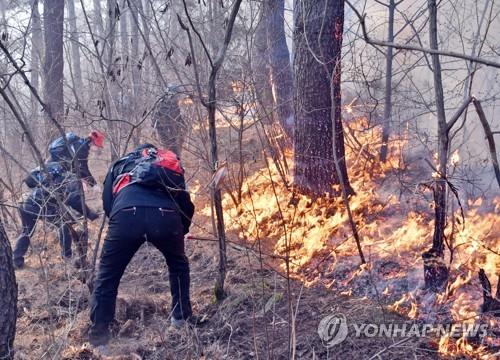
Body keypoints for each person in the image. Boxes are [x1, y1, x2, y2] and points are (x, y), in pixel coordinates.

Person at [89, 144, 195, 346]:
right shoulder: (169, 164)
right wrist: (182, 230)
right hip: (167, 216)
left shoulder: (121, 164)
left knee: (107, 275)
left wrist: (122, 225)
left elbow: (107, 202)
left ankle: (99, 339)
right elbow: (185, 202)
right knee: (178, 265)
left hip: (126, 212)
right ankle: (180, 319)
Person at [12, 162, 100, 269]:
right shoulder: (71, 179)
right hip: (39, 204)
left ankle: (16, 261)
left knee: (26, 231)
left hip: (25, 202)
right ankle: (67, 257)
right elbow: (74, 200)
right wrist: (90, 214)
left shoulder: (54, 174)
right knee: (64, 225)